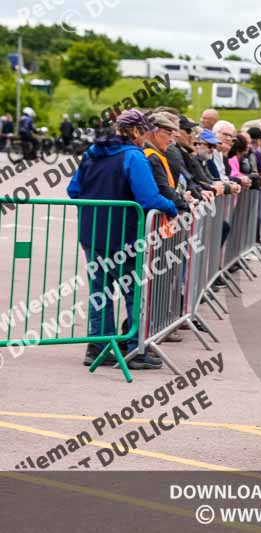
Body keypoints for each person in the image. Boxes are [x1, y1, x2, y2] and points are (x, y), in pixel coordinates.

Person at [67, 109, 177, 369]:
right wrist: (171, 207)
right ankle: (135, 349)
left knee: (100, 291)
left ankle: (98, 348)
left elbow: (73, 190)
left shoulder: (91, 153)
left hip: (92, 232)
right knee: (133, 291)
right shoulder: (133, 156)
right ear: (136, 131)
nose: (145, 137)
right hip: (123, 234)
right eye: (143, 132)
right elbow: (149, 198)